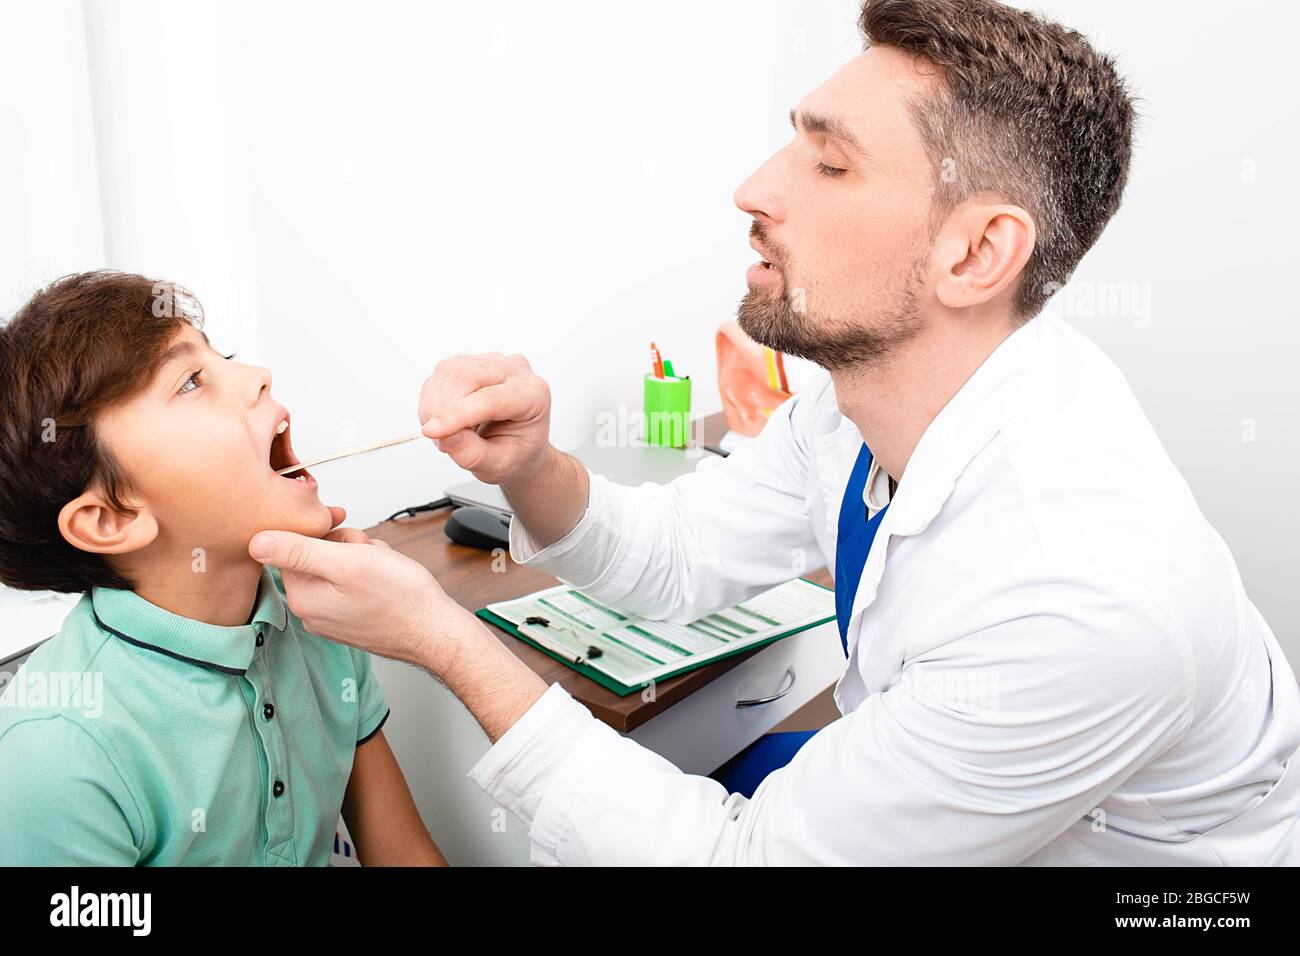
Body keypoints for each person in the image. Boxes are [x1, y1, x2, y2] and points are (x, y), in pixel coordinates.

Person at [248, 0, 1300, 865]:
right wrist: (530, 466)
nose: (753, 190)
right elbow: (676, 557)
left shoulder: (1080, 598)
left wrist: (443, 637)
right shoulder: (866, 401)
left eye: (829, 164)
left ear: (977, 253)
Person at [0, 271, 445, 866]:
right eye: (189, 382)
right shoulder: (56, 757)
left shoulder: (320, 611)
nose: (258, 375)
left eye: (223, 356)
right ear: (111, 519)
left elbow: (403, 854)